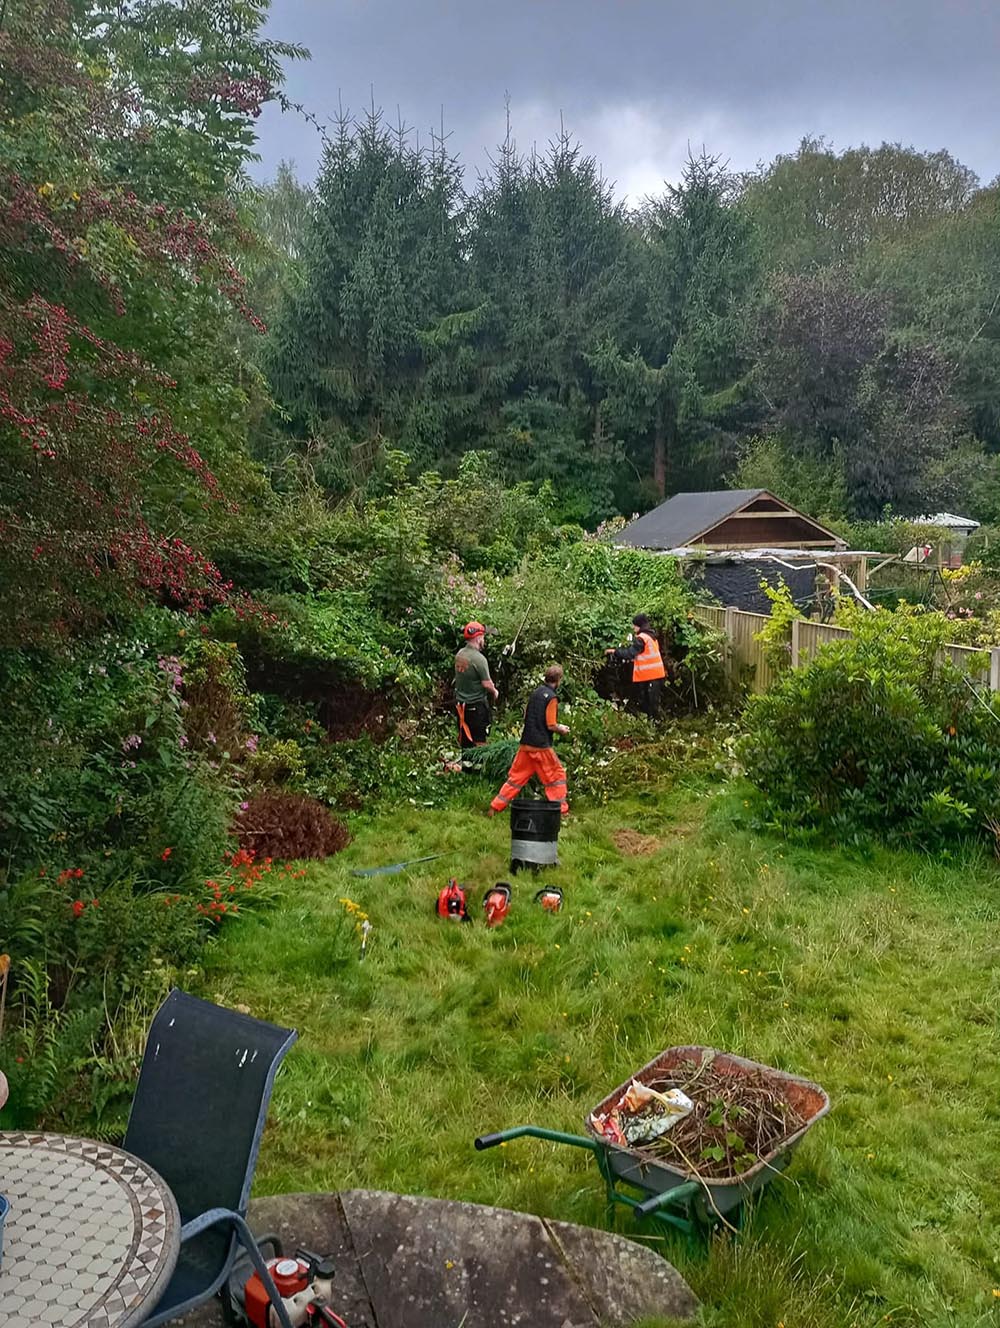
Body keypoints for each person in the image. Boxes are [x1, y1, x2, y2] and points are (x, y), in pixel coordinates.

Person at [489, 664, 570, 815]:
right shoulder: (552, 698)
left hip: (526, 744)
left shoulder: (535, 693)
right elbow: (551, 724)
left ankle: (494, 808)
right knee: (556, 776)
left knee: (515, 779)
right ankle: (561, 811)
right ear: (559, 680)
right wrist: (562, 729)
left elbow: (527, 715)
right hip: (541, 746)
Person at [454, 621, 498, 771]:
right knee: (479, 739)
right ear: (478, 638)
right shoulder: (479, 659)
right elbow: (486, 684)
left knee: (466, 739)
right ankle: (478, 771)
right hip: (476, 706)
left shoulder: (460, 655)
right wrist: (495, 692)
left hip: (461, 706)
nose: (483, 640)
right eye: (483, 637)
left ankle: (466, 769)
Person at [606, 613, 666, 719]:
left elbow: (630, 653)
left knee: (649, 705)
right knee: (652, 704)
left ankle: (653, 725)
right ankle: (654, 725)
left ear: (639, 625)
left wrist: (615, 652)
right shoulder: (651, 637)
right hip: (655, 675)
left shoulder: (642, 638)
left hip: (649, 676)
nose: (633, 628)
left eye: (634, 625)